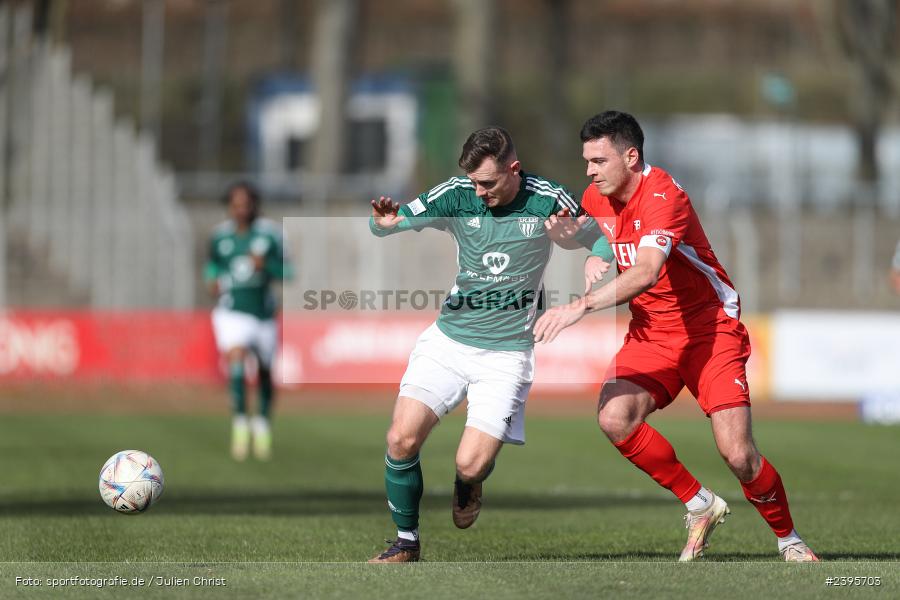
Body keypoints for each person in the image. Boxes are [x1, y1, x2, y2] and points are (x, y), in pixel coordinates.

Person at [534, 111, 818, 562]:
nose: (588, 171)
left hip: (708, 329)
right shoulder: (595, 195)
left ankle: (789, 539)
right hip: (652, 332)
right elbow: (595, 236)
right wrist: (592, 252)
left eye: (598, 161)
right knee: (614, 416)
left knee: (738, 454)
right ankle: (700, 503)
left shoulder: (664, 195)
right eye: (586, 161)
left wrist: (581, 305)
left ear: (631, 156)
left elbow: (645, 271)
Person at [367, 126, 612, 563]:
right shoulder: (458, 193)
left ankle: (470, 482)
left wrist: (595, 254)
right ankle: (406, 542)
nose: (479, 192)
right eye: (474, 183)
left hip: (506, 355)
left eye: (488, 183)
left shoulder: (548, 198)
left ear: (513, 169)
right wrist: (382, 221)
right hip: (448, 342)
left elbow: (597, 236)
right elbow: (392, 221)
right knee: (401, 440)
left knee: (471, 464)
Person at [205, 181, 292, 461]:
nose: (241, 208)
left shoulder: (271, 234)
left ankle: (262, 423)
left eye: (246, 202)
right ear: (229, 206)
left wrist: (264, 265)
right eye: (236, 203)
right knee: (236, 357)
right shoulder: (219, 237)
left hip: (263, 314)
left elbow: (288, 271)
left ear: (254, 204)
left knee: (266, 372)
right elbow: (212, 266)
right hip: (231, 311)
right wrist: (211, 280)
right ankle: (241, 422)